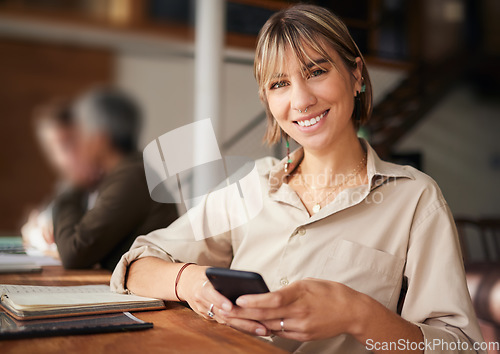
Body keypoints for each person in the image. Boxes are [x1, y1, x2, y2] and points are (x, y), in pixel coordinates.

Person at [111, 5, 484, 353]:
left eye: (316, 72)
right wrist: (193, 282)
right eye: (279, 84)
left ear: (356, 76)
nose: (301, 100)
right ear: (268, 101)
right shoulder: (249, 186)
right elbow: (136, 265)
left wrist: (359, 314)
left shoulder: (415, 198)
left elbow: (459, 345)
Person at [52, 87, 179, 270]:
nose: (76, 145)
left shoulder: (131, 178)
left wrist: (72, 187)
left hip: (151, 294)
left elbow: (74, 253)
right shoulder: (127, 172)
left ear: (99, 139)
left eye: (78, 135)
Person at [21, 99, 90, 256]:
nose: (69, 156)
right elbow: (36, 224)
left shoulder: (108, 182)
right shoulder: (67, 185)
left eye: (73, 142)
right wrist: (36, 228)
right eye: (58, 148)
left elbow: (77, 248)